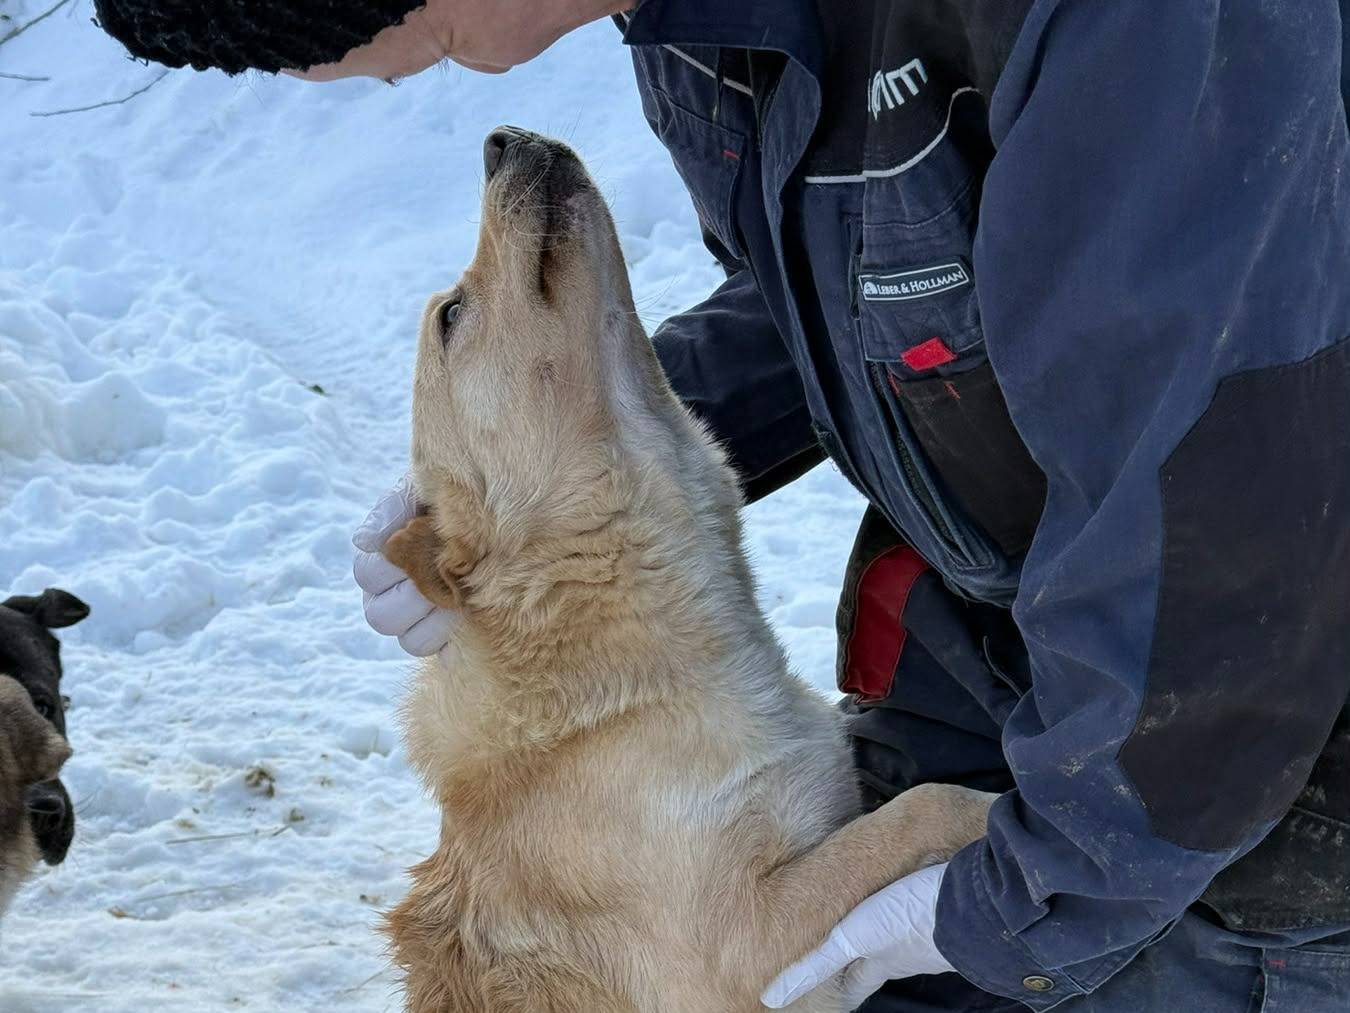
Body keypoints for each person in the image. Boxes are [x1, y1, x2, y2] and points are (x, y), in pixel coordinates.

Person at [95, 2, 1350, 1010]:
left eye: (369, 38)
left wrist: (1025, 891)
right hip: (1032, 725)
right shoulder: (706, 34)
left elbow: (1234, 500)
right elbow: (872, 289)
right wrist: (591, 453)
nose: (369, 82)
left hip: (1240, 811)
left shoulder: (1127, 23)